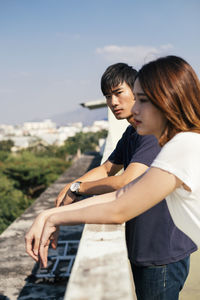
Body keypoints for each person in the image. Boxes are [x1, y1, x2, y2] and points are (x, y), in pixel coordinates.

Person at [26, 57, 200, 300]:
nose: (134, 109)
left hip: (163, 254)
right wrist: (51, 214)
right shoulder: (178, 142)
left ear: (166, 99)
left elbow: (120, 205)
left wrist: (56, 213)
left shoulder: (180, 147)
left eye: (142, 100)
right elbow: (121, 194)